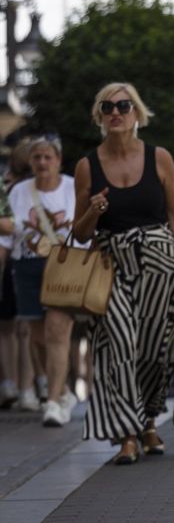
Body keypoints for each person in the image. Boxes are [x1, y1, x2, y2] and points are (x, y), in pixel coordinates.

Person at [73, 82, 174, 465]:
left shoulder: (160, 158)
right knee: (119, 346)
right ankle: (127, 433)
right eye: (108, 107)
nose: (116, 112)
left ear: (136, 114)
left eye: (124, 106)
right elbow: (80, 234)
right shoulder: (87, 166)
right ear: (100, 116)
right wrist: (93, 212)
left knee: (155, 352)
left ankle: (147, 421)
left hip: (161, 264)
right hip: (110, 264)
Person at [0, 135, 79, 426]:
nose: (43, 162)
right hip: (27, 267)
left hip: (64, 266)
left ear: (58, 160)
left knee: (57, 332)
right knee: (37, 337)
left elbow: (85, 228)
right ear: (31, 162)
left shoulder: (73, 187)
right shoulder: (19, 191)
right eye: (37, 158)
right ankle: (64, 391)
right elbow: (6, 234)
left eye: (48, 157)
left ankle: (54, 402)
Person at [0, 143, 39, 411]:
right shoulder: (37, 189)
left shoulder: (9, 191)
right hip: (29, 261)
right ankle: (28, 388)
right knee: (26, 329)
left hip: (11, 261)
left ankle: (11, 384)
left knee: (8, 329)